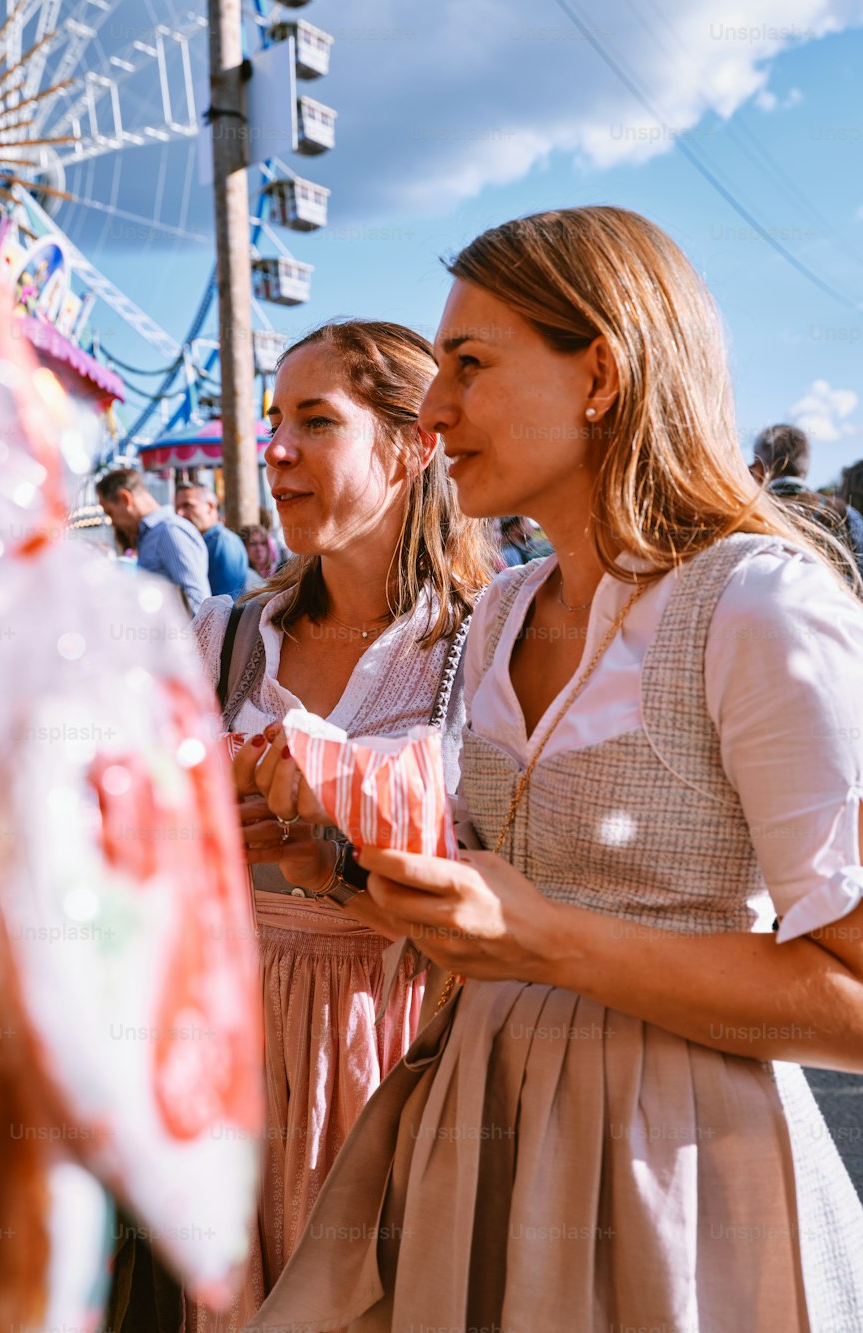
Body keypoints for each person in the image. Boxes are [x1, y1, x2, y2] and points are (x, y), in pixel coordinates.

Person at [248, 207, 863, 1332]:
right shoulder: (504, 610)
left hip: (672, 1167)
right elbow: (499, 907)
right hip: (478, 1138)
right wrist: (337, 871)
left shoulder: (759, 606)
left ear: (601, 376)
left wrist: (550, 940)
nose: (435, 409)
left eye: (470, 367)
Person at [184, 319, 496, 1331]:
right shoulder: (224, 638)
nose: (273, 449)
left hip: (400, 1040)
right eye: (275, 420)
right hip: (227, 1047)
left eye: (316, 421)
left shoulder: (482, 645)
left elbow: (510, 882)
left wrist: (340, 850)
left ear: (412, 448)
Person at [753, 422, 863, 580]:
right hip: (834, 601)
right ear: (806, 467)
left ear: (759, 466)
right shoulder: (846, 514)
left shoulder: (748, 512)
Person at [96, 468, 211, 613]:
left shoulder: (169, 531)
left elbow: (198, 604)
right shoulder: (152, 534)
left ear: (125, 499)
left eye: (110, 512)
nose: (112, 522)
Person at [175, 483, 250, 599]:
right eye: (177, 508)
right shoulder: (209, 541)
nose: (180, 513)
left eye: (187, 505)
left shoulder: (222, 542)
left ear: (209, 507)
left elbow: (224, 604)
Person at [239, 522, 278, 589]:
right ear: (243, 546)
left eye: (263, 543)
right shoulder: (244, 577)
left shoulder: (275, 573)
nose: (259, 549)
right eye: (253, 544)